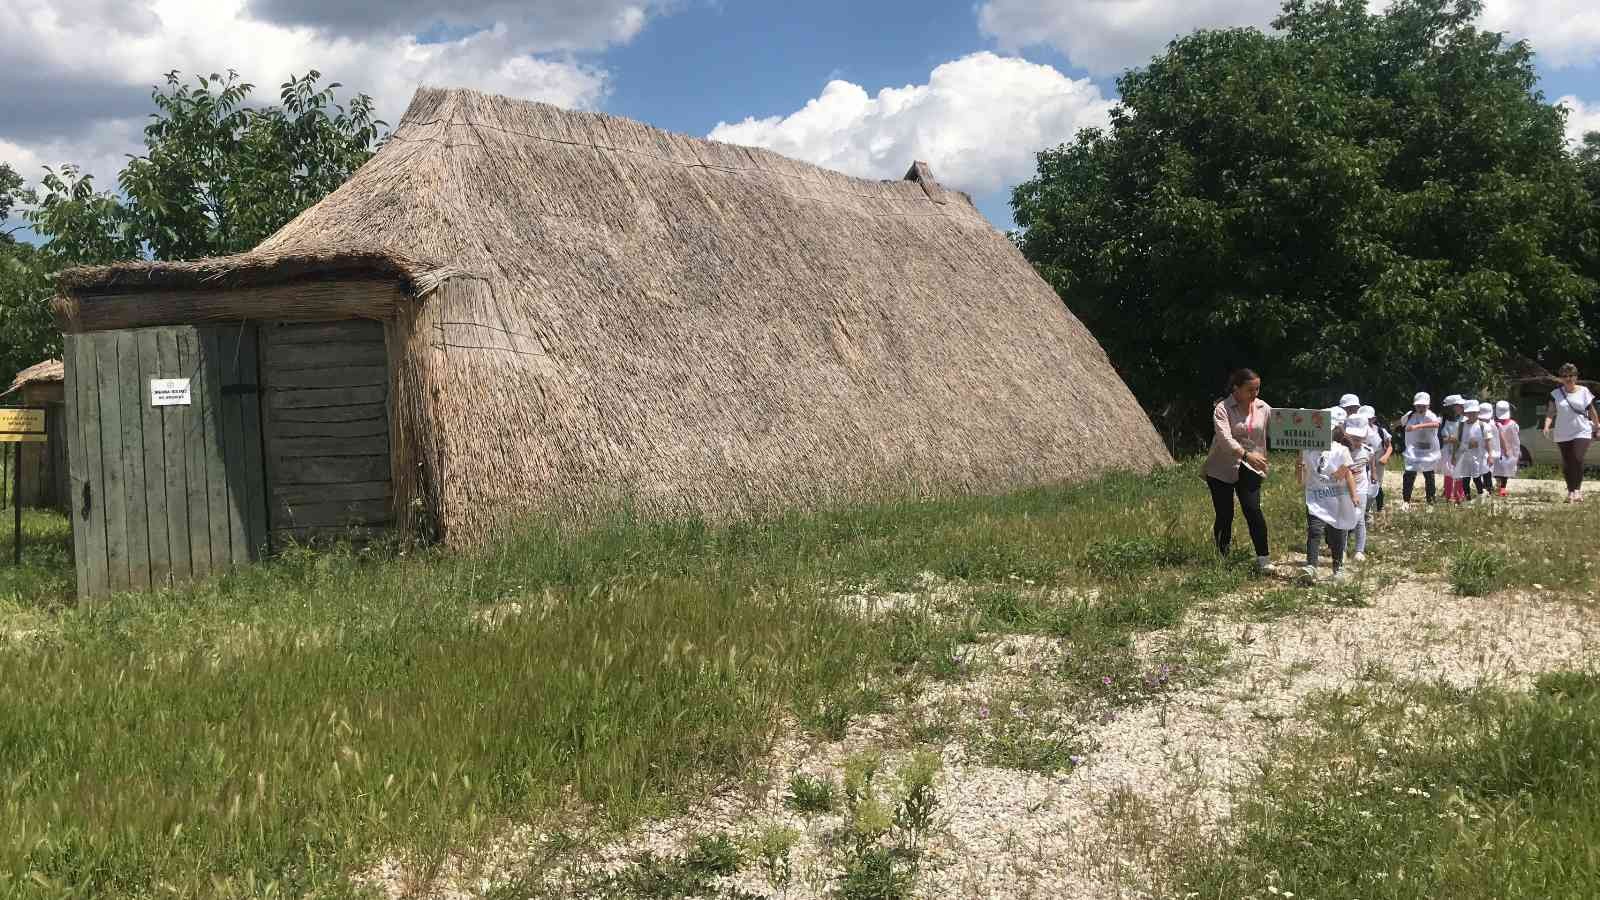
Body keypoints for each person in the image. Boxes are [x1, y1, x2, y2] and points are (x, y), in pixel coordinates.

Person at [1205, 369, 1272, 570]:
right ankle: (1222, 558)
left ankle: (1263, 559)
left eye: (1258, 388)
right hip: (1221, 468)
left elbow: (1284, 430)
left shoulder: (1263, 408)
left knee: (1253, 510)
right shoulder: (1222, 409)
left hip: (1252, 468)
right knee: (1225, 514)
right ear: (1236, 388)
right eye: (1250, 389)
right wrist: (1246, 455)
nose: (1255, 394)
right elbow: (1225, 439)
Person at [1300, 422, 1361, 581]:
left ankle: (1338, 567)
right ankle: (1311, 566)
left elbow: (1346, 475)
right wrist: (1300, 467)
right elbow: (1301, 477)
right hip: (1316, 498)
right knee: (1314, 531)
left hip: (1337, 498)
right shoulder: (1307, 449)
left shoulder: (1341, 450)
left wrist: (1354, 495)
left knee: (1337, 533)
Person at [1543, 363, 1600, 502]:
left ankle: (1578, 490)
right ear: (1561, 378)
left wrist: (1597, 426)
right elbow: (1551, 412)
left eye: (1571, 375)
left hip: (1582, 430)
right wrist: (1546, 426)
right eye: (1565, 376)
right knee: (1568, 462)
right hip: (1563, 432)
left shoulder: (1584, 391)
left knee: (1577, 458)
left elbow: (1591, 411)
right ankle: (1570, 491)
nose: (1568, 378)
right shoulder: (1555, 394)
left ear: (1576, 377)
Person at [1344, 415, 1375, 561]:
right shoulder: (1341, 450)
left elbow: (1371, 463)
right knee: (1343, 518)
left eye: (1359, 438)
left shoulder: (1368, 450)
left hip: (1361, 488)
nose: (1355, 441)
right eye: (1352, 437)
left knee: (1359, 518)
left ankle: (1359, 550)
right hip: (1343, 488)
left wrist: (1374, 475)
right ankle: (1341, 549)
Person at [1401, 392, 1441, 505]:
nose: (1421, 408)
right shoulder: (1410, 415)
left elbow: (1436, 424)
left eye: (1423, 406)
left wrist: (1417, 427)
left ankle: (1431, 502)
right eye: (1418, 406)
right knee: (1409, 475)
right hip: (1413, 451)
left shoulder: (1430, 415)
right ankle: (1406, 501)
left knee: (1429, 476)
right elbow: (1401, 423)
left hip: (1428, 451)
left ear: (1428, 405)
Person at [1454, 400, 1492, 500]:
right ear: (1465, 413)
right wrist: (1454, 455)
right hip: (1464, 456)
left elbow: (1488, 442)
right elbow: (1456, 441)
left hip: (1478, 456)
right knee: (1465, 478)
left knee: (1476, 477)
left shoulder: (1483, 426)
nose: (1471, 415)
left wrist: (1490, 456)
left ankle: (1481, 495)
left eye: (1474, 413)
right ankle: (1468, 499)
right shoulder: (1461, 425)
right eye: (1469, 413)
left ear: (1478, 412)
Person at [1359, 404, 1391, 515]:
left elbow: (1389, 446)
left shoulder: (1381, 431)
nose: (1367, 421)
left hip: (1378, 460)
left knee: (1377, 484)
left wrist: (1385, 456)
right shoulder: (1357, 431)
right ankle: (1364, 510)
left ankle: (1379, 508)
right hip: (1363, 460)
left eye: (1369, 419)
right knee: (1363, 484)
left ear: (1374, 418)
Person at [1439, 394, 1464, 503]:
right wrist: (1448, 440)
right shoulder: (1441, 421)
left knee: (1460, 472)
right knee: (1448, 472)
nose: (1462, 407)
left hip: (1461, 450)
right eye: (1459, 405)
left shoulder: (1464, 419)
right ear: (1452, 407)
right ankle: (1448, 496)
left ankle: (1459, 496)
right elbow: (1437, 439)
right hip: (1447, 451)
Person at [1492, 400, 1520, 496]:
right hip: (1508, 450)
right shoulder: (1513, 424)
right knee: (1504, 470)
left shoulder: (1495, 424)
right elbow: (1516, 438)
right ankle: (1501, 487)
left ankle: (1500, 486)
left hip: (1501, 450)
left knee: (1500, 469)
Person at [1476, 402, 1499, 497]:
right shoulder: (1477, 424)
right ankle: (1482, 489)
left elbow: (1495, 441)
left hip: (1489, 451)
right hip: (1479, 451)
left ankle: (1488, 489)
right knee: (1479, 471)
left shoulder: (1493, 425)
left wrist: (1493, 453)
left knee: (1488, 471)